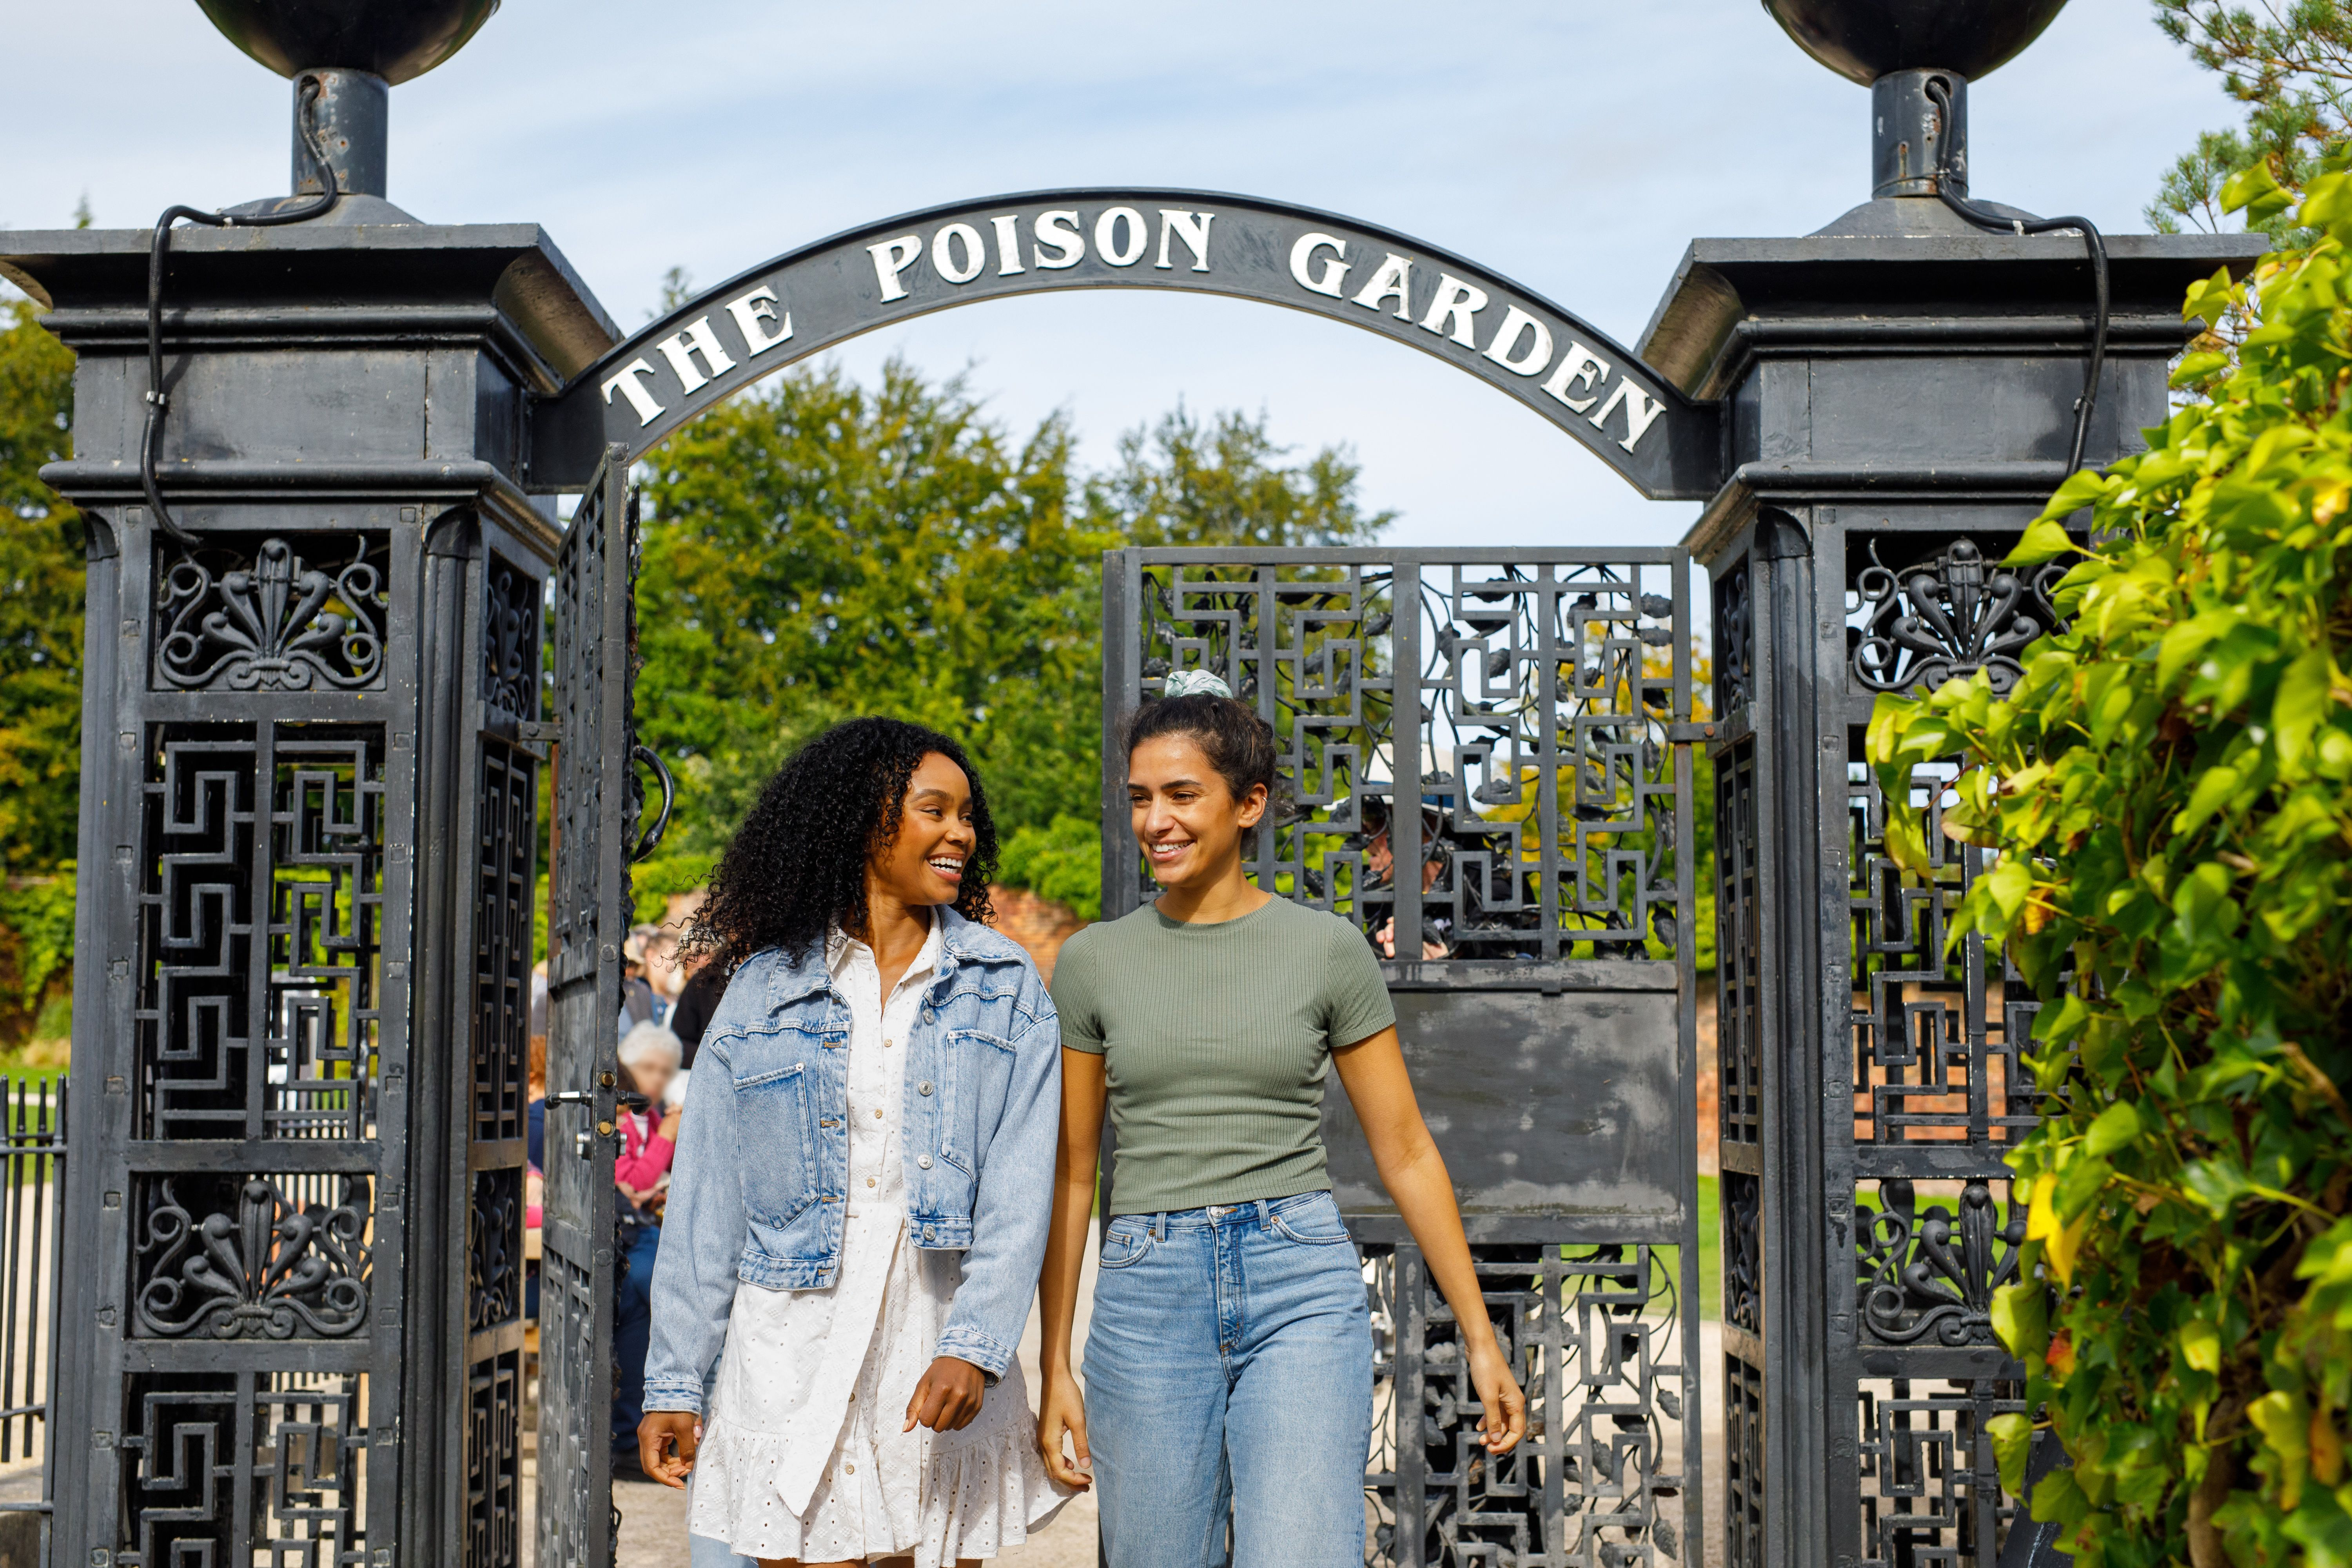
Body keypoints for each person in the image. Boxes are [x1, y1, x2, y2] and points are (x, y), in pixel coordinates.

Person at [1036, 670, 1528, 1568]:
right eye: (1142, 798)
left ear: (1249, 802)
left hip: (1296, 1279)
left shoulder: (1327, 949)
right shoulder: (1092, 963)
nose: (1157, 820)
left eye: (1184, 794)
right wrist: (1052, 1363)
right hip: (1148, 1292)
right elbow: (1074, 1169)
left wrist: (1483, 1339)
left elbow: (1408, 1150)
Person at [638, 717, 1069, 1568]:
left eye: (967, 816)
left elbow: (1024, 1189)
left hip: (932, 1331)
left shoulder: (1004, 983)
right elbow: (705, 1207)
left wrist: (974, 1345)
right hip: (789, 1344)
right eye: (934, 811)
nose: (961, 833)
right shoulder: (762, 988)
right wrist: (676, 1381)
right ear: (863, 821)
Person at [613, 1022, 684, 1470]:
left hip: (645, 1229)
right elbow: (632, 1181)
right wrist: (666, 1140)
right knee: (657, 1287)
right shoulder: (623, 1115)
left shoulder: (652, 1116)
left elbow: (643, 1186)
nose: (656, 1079)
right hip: (627, 1236)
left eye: (665, 1071)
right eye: (648, 1068)